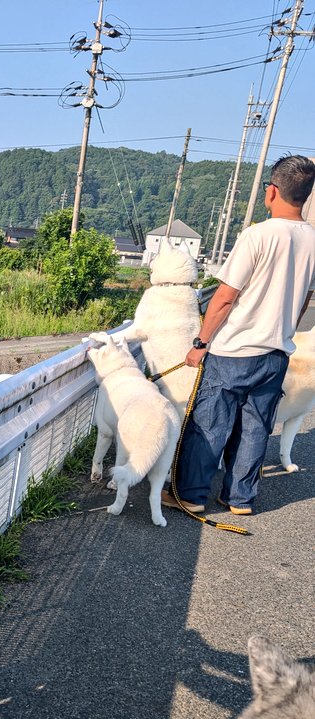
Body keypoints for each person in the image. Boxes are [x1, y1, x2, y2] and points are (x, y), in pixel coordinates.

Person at [165, 154, 315, 515]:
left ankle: (190, 495)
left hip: (234, 351)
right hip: (276, 352)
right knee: (255, 427)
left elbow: (224, 298)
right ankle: (240, 499)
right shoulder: (312, 239)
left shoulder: (257, 235)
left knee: (210, 424)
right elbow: (306, 296)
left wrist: (200, 343)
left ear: (272, 190)